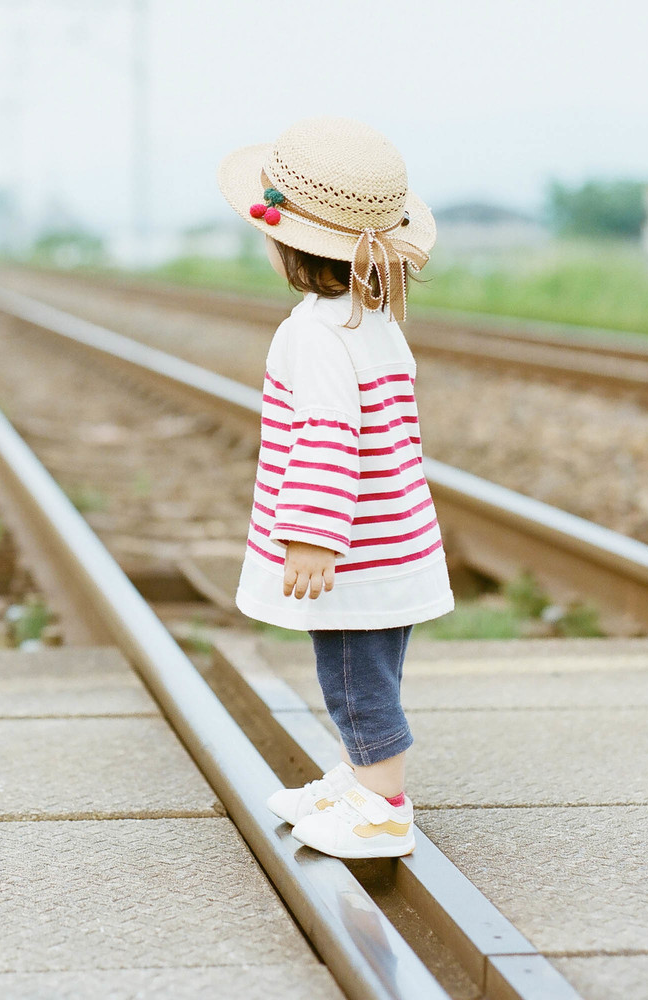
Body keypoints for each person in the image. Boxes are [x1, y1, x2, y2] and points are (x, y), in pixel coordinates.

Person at [216, 116, 454, 859]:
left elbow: (325, 437)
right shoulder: (371, 319)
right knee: (367, 671)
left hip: (354, 554)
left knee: (355, 683)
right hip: (393, 544)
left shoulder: (312, 334)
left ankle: (381, 810)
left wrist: (312, 537)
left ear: (282, 241)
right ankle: (358, 781)